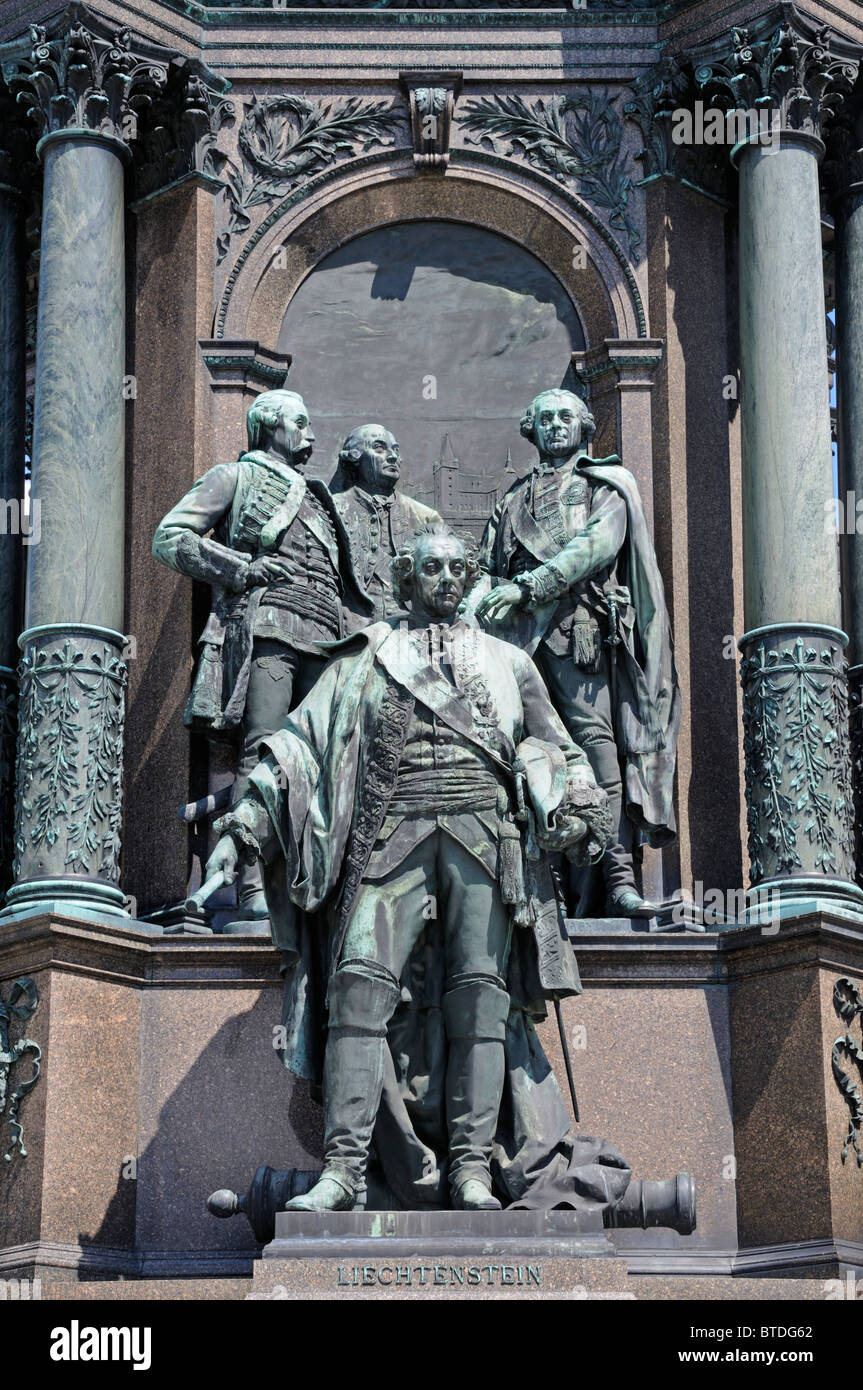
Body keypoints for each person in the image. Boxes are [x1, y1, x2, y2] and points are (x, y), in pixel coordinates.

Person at [205, 523, 628, 1214]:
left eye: (458, 569)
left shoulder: (509, 662)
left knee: (480, 999)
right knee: (356, 991)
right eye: (430, 569)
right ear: (405, 580)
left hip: (483, 839)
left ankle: (469, 1170)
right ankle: (341, 1172)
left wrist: (577, 806)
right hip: (390, 834)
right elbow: (296, 749)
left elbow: (562, 750)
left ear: (469, 579)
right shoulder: (364, 659)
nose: (446, 580)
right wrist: (244, 828)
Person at [153, 389, 371, 923]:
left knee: (328, 761)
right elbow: (169, 537)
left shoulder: (318, 498)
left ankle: (322, 887)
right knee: (265, 752)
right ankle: (251, 888)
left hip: (328, 642)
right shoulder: (234, 477)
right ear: (269, 425)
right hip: (268, 630)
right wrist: (240, 568)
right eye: (300, 422)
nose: (311, 434)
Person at [474, 388, 680, 918]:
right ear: (531, 429)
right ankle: (542, 891)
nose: (555, 426)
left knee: (597, 754)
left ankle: (617, 881)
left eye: (566, 416)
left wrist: (528, 587)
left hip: (576, 635)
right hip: (517, 644)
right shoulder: (512, 499)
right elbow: (486, 568)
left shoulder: (604, 485)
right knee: (519, 758)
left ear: (585, 426)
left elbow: (596, 545)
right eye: (544, 418)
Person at [330, 423, 441, 625]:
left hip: (410, 630)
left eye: (396, 450)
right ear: (354, 457)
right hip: (348, 630)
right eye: (379, 448)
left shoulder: (426, 517)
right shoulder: (331, 509)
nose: (393, 457)